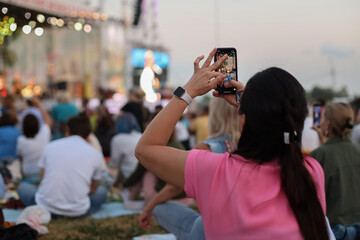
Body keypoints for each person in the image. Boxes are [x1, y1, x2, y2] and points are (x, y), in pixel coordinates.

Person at [135, 49, 332, 240]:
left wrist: (188, 91)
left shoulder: (215, 171)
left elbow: (146, 149)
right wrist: (252, 109)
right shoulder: (311, 171)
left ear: (243, 122)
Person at [138, 97, 240, 239]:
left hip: (210, 231)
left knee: (160, 207)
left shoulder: (206, 149)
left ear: (214, 115)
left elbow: (174, 187)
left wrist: (149, 206)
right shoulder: (251, 149)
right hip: (243, 227)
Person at [17, 114, 106, 218]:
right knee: (102, 192)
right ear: (89, 134)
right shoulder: (95, 153)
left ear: (67, 129)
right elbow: (93, 189)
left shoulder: (50, 147)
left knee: (23, 188)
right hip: (79, 211)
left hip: (46, 208)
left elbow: (43, 180)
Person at [310, 102, 360, 239]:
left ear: (328, 123)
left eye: (324, 117)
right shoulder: (357, 149)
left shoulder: (319, 155)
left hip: (336, 230)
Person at [16, 98, 52, 182]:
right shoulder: (44, 134)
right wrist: (39, 105)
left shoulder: (21, 140)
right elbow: (48, 120)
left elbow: (21, 158)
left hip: (28, 174)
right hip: (43, 173)